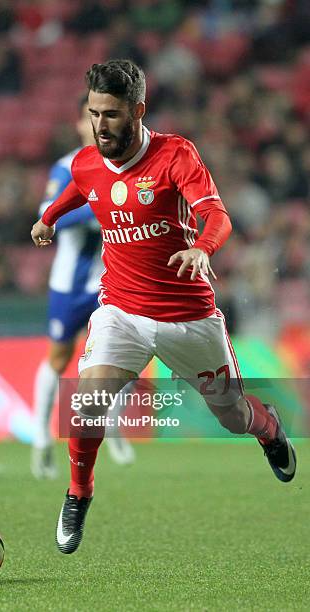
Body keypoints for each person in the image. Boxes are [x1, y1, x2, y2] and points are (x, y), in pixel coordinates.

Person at [31, 60, 297, 553]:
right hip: (121, 312)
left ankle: (269, 427)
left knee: (233, 416)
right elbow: (80, 187)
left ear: (138, 109)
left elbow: (216, 215)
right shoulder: (89, 161)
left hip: (187, 318)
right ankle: (78, 493)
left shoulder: (176, 155)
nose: (100, 125)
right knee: (88, 402)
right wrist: (49, 218)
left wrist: (203, 248)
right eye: (93, 113)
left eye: (110, 114)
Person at [31, 96, 134, 479]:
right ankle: (40, 435)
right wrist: (101, 206)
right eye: (90, 118)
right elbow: (50, 215)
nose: (98, 126)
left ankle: (115, 425)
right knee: (59, 358)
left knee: (126, 359)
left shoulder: (129, 164)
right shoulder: (66, 168)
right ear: (79, 124)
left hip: (115, 281)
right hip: (69, 284)